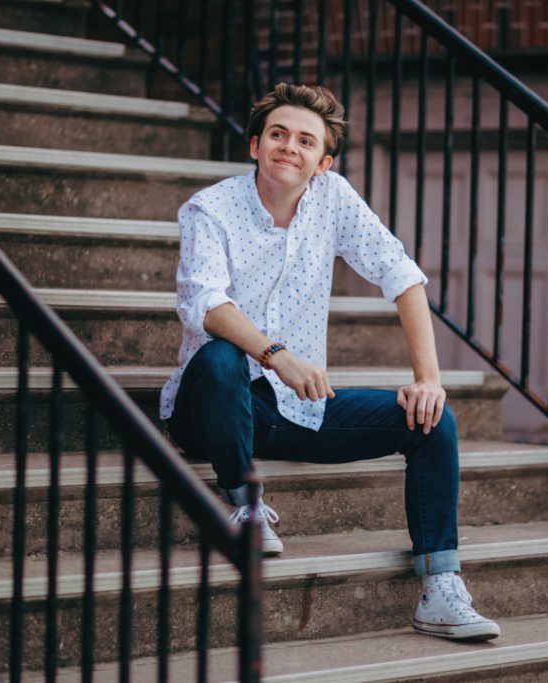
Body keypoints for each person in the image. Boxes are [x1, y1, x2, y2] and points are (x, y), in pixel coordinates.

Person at [160, 83, 500, 641]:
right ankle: (245, 506)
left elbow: (402, 274)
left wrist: (429, 380)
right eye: (277, 134)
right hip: (211, 409)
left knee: (433, 421)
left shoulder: (333, 198)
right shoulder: (210, 208)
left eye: (304, 140)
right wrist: (276, 354)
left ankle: (441, 588)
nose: (288, 147)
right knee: (222, 356)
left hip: (293, 411)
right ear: (255, 146)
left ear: (323, 162)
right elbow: (204, 303)